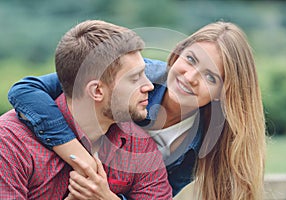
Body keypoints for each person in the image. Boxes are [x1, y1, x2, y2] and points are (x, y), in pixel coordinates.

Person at [8, 21, 266, 200]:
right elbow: (28, 89)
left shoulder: (199, 143)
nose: (191, 77)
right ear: (176, 55)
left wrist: (105, 196)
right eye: (190, 59)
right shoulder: (139, 72)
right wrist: (79, 155)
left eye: (211, 77)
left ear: (224, 92)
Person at [1, 19, 173, 199]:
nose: (149, 86)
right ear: (97, 91)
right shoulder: (10, 143)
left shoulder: (139, 146)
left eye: (144, 73)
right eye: (135, 78)